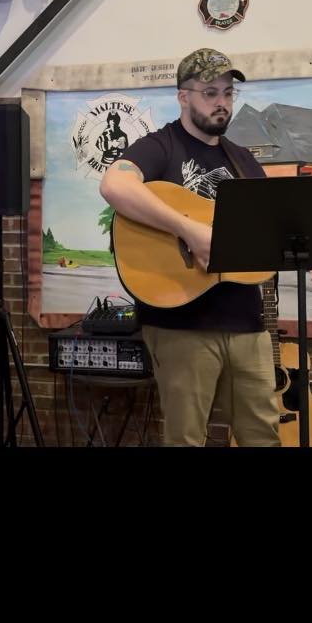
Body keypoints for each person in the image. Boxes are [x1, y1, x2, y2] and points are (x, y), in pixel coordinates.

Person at [100, 48, 280, 447]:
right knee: (186, 439)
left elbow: (267, 227)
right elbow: (115, 185)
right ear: (184, 97)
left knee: (263, 435)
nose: (222, 102)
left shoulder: (244, 161)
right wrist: (189, 230)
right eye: (210, 93)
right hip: (180, 323)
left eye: (228, 93)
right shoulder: (160, 147)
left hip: (246, 323)